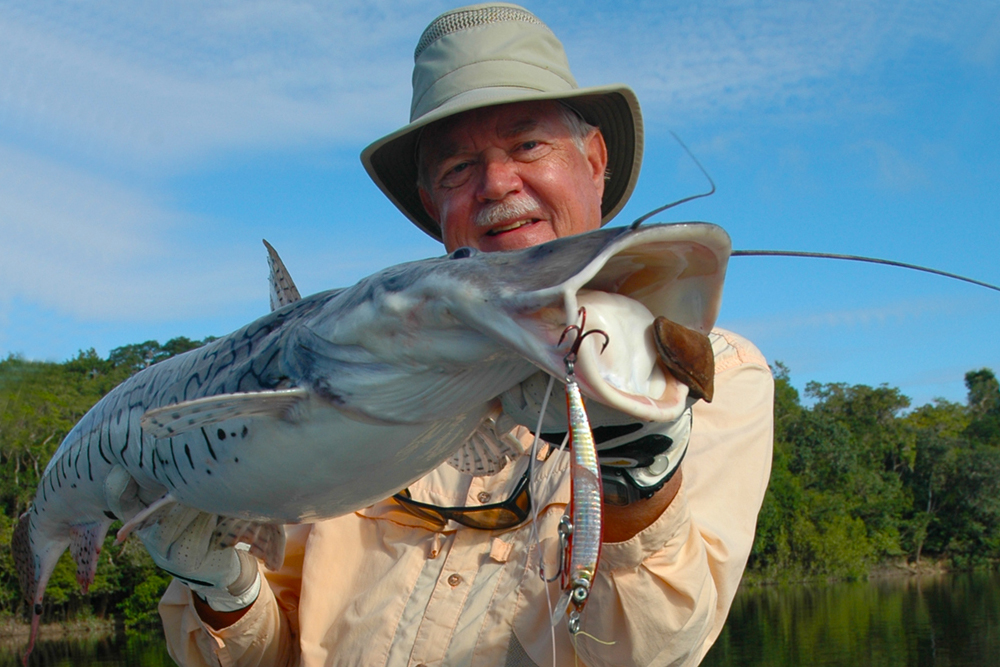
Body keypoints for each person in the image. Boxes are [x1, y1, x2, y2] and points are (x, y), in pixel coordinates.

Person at [152, 4, 774, 666]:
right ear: (432, 204)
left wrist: (637, 481)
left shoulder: (713, 371)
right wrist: (223, 585)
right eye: (458, 168)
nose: (498, 183)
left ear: (594, 160)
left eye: (528, 144)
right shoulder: (352, 374)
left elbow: (647, 652)